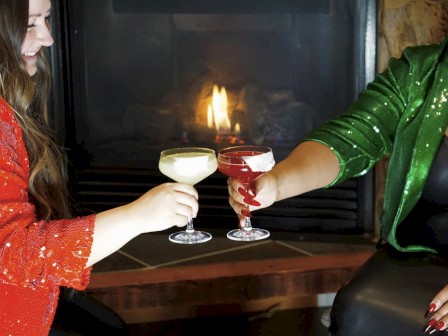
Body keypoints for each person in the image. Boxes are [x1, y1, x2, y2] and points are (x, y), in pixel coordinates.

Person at [0, 0, 200, 335]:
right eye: (31, 23)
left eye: (46, 19)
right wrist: (138, 216)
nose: (49, 38)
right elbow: (12, 253)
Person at [226, 34, 448, 335]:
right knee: (358, 310)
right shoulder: (423, 71)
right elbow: (348, 139)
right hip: (419, 251)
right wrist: (277, 183)